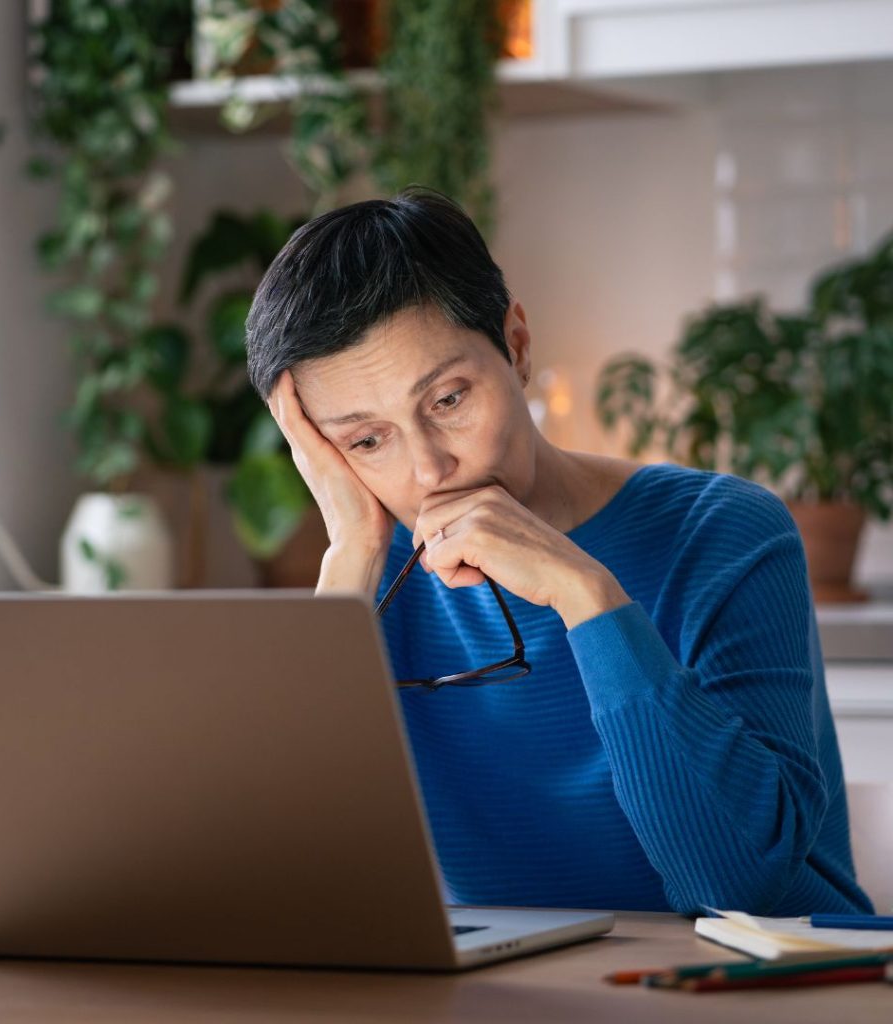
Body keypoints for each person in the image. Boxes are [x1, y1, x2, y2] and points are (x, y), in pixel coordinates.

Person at [244, 186, 872, 916]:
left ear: (516, 346)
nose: (427, 471)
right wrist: (350, 561)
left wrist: (586, 596)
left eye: (448, 401)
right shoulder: (371, 579)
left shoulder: (724, 531)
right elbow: (288, 887)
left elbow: (737, 887)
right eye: (366, 440)